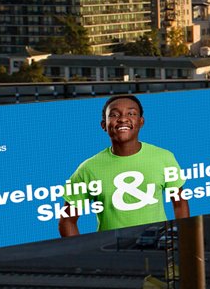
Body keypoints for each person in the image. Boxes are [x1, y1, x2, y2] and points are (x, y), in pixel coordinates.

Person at [58, 95, 190, 237]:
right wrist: (83, 255)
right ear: (104, 125)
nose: (122, 118)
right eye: (114, 115)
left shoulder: (164, 158)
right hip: (112, 253)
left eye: (131, 113)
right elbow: (67, 221)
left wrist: (183, 239)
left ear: (141, 122)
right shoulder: (88, 169)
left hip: (158, 248)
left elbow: (180, 204)